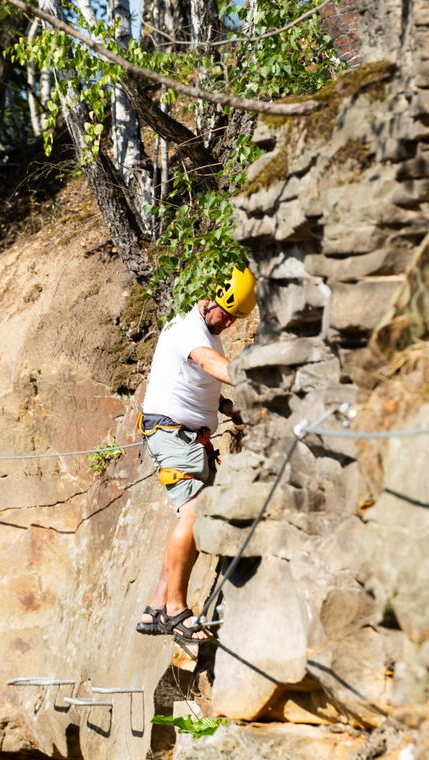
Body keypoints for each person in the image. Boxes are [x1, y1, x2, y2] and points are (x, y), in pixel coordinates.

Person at [135, 267, 256, 644]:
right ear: (210, 300)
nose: (230, 323)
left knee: (194, 517)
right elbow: (206, 364)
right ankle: (175, 611)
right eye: (227, 313)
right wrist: (254, 379)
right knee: (193, 512)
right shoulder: (188, 329)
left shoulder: (207, 334)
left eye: (236, 318)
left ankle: (156, 606)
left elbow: (196, 382)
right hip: (173, 435)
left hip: (189, 439)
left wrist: (227, 408)